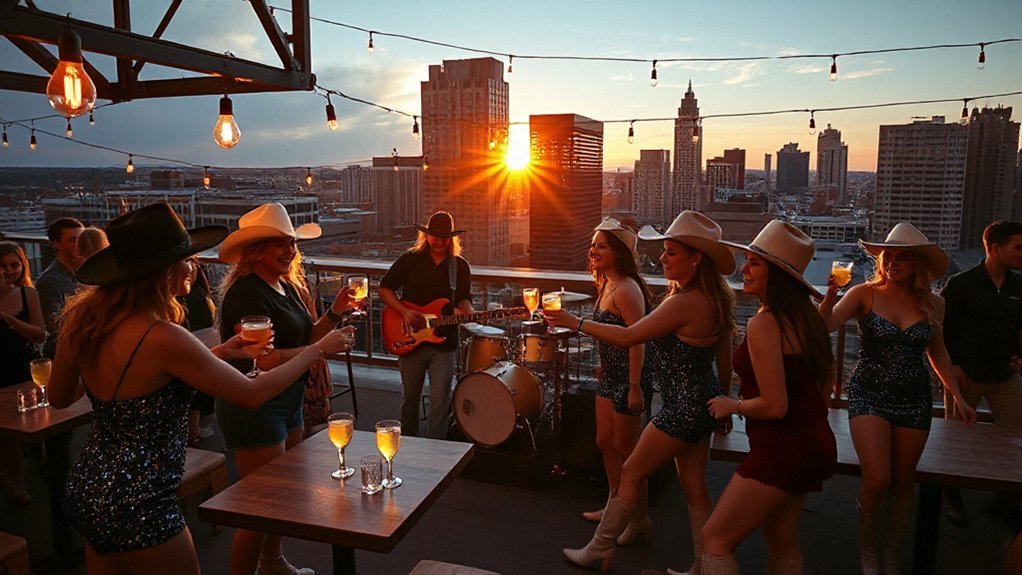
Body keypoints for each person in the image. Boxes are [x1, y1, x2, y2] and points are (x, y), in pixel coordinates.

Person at [48, 203, 353, 575]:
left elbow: (61, 397)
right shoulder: (163, 335)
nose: (193, 266)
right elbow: (251, 393)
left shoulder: (82, 323)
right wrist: (317, 351)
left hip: (92, 486)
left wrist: (220, 352)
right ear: (161, 271)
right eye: (186, 259)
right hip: (140, 497)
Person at [546, 211, 736, 574]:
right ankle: (701, 565)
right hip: (705, 404)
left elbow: (631, 336)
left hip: (681, 409)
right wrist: (722, 405)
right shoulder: (717, 299)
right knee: (694, 488)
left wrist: (577, 323)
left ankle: (599, 549)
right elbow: (723, 362)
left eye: (671, 253)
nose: (661, 259)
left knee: (631, 471)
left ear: (696, 259)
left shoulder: (684, 302)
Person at [819, 222, 976, 575]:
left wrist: (958, 398)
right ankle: (871, 552)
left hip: (914, 398)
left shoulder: (933, 303)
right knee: (878, 479)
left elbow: (939, 354)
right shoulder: (864, 293)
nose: (892, 263)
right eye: (889, 256)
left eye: (902, 258)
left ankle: (891, 552)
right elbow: (825, 327)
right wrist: (829, 298)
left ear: (917, 264)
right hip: (868, 395)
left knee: (904, 483)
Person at [216, 202, 355, 575]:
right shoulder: (246, 294)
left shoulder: (287, 285)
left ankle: (272, 562)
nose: (290, 251)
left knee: (280, 497)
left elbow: (308, 335)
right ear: (256, 250)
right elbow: (260, 360)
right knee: (257, 508)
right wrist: (318, 351)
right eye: (280, 243)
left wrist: (335, 313)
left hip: (288, 399)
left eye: (291, 243)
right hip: (255, 406)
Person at [702, 220, 837, 575]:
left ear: (777, 274)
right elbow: (822, 390)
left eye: (754, 263)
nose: (744, 269)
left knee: (714, 539)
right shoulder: (808, 318)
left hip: (782, 449)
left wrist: (733, 404)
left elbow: (775, 405)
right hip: (814, 443)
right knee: (782, 540)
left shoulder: (766, 323)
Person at [572, 219, 655, 533]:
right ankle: (614, 506)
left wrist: (635, 385)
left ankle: (638, 518)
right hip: (610, 374)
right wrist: (604, 364)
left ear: (619, 252)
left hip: (629, 378)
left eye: (601, 245)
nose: (593, 251)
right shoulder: (605, 282)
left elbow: (637, 338)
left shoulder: (628, 289)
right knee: (604, 442)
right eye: (593, 245)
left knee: (629, 454)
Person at [941, 220, 1022, 525]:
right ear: (994, 248)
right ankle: (951, 495)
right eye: (1017, 247)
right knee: (956, 439)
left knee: (1014, 437)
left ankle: (1006, 499)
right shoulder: (961, 285)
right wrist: (954, 368)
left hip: (1004, 376)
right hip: (966, 375)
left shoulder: (1018, 286)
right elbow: (943, 332)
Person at [379, 211, 473, 439]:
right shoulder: (409, 259)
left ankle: (435, 453)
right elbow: (385, 288)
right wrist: (404, 311)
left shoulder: (459, 266)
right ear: (426, 236)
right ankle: (409, 448)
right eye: (435, 237)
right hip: (411, 340)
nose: (440, 242)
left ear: (452, 239)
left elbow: (463, 297)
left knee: (441, 402)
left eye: (445, 238)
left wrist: (467, 309)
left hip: (445, 342)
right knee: (409, 399)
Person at [0, 241, 46, 504]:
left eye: (14, 265)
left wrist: (12, 321)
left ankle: (18, 482)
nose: (9, 271)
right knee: (6, 438)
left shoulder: (28, 294)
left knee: (24, 430)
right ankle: (13, 486)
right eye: (3, 266)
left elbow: (40, 333)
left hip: (22, 368)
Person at [37, 217, 84, 358]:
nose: (78, 244)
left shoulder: (83, 271)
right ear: (56, 244)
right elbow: (55, 325)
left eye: (81, 239)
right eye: (72, 240)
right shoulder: (49, 280)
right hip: (63, 354)